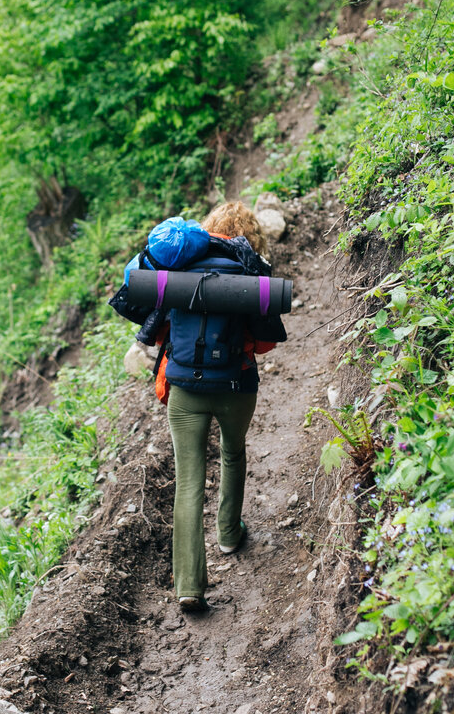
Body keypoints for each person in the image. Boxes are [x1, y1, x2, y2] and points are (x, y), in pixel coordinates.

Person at [111, 201, 287, 612]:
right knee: (232, 453)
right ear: (250, 235)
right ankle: (229, 533)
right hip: (236, 385)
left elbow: (156, 334)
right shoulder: (250, 269)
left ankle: (189, 584)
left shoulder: (178, 272)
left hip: (184, 390)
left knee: (188, 481)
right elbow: (266, 342)